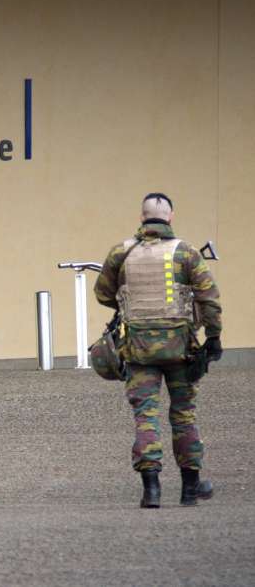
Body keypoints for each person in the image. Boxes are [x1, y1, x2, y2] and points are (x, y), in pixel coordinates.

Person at [94, 192, 222, 508]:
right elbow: (210, 301)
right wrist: (214, 338)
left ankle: (151, 491)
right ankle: (190, 490)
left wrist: (130, 302)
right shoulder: (187, 253)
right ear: (171, 217)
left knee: (145, 417)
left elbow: (103, 294)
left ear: (142, 218)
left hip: (138, 352)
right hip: (182, 350)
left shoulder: (121, 252)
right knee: (183, 415)